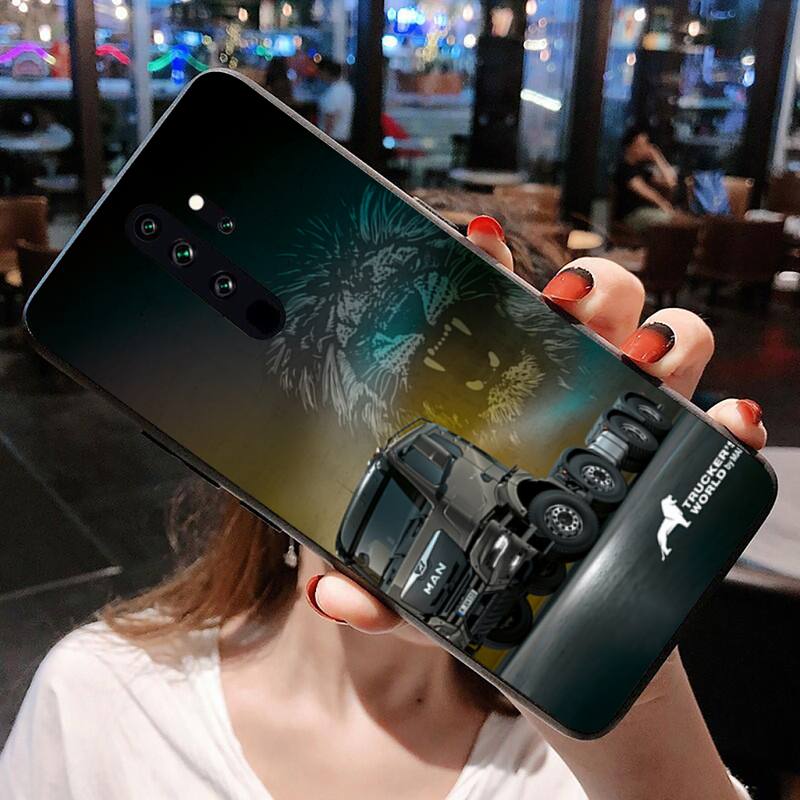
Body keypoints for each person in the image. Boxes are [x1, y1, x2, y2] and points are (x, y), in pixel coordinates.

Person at [0, 216, 766, 799]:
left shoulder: (573, 756)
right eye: (422, 352)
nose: (475, 374)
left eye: (494, 358)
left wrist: (631, 696)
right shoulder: (99, 700)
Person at [614, 126, 679, 233]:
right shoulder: (624, 169)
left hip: (646, 212)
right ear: (629, 147)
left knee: (680, 219)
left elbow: (670, 182)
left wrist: (658, 157)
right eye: (641, 145)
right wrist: (663, 204)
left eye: (646, 144)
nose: (646, 148)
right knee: (674, 221)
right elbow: (645, 190)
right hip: (631, 216)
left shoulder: (641, 169)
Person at [317, 59, 355, 146]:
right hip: (343, 136)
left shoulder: (334, 91)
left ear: (326, 72)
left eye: (320, 73)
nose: (319, 76)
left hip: (334, 138)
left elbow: (330, 118)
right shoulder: (346, 87)